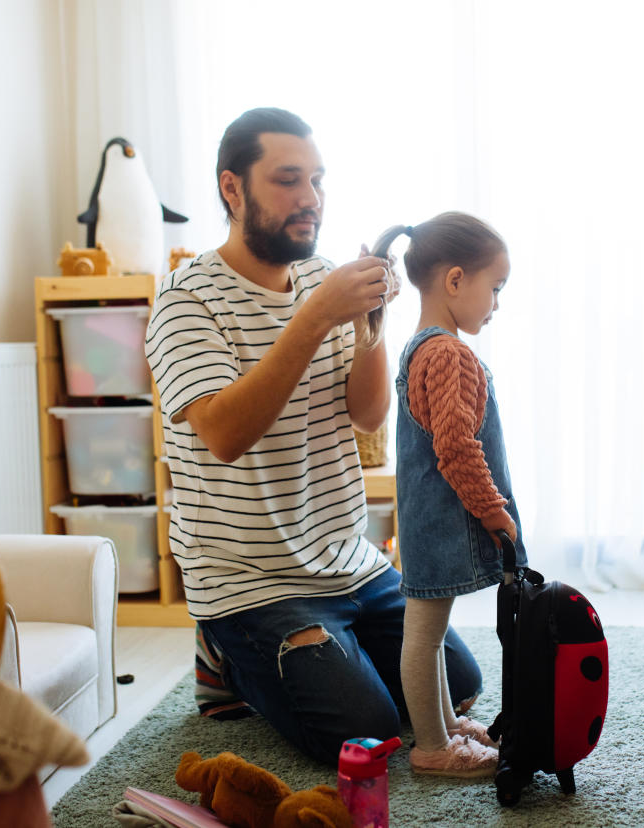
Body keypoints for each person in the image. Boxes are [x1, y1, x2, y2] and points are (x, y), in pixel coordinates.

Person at [144, 108, 483, 765]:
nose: (310, 199)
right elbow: (225, 435)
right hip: (250, 579)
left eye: (318, 180)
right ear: (232, 189)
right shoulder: (185, 300)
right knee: (368, 734)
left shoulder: (319, 277)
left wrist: (370, 327)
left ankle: (310, 651)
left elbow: (367, 414)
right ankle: (223, 655)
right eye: (288, 180)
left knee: (461, 688)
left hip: (345, 560)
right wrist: (316, 314)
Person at [372, 212, 527, 777]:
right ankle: (433, 748)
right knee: (424, 635)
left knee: (429, 634)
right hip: (443, 521)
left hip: (420, 521)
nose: (497, 303)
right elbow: (458, 449)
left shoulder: (420, 347)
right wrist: (495, 514)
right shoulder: (449, 354)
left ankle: (444, 727)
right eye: (496, 288)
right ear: (456, 280)